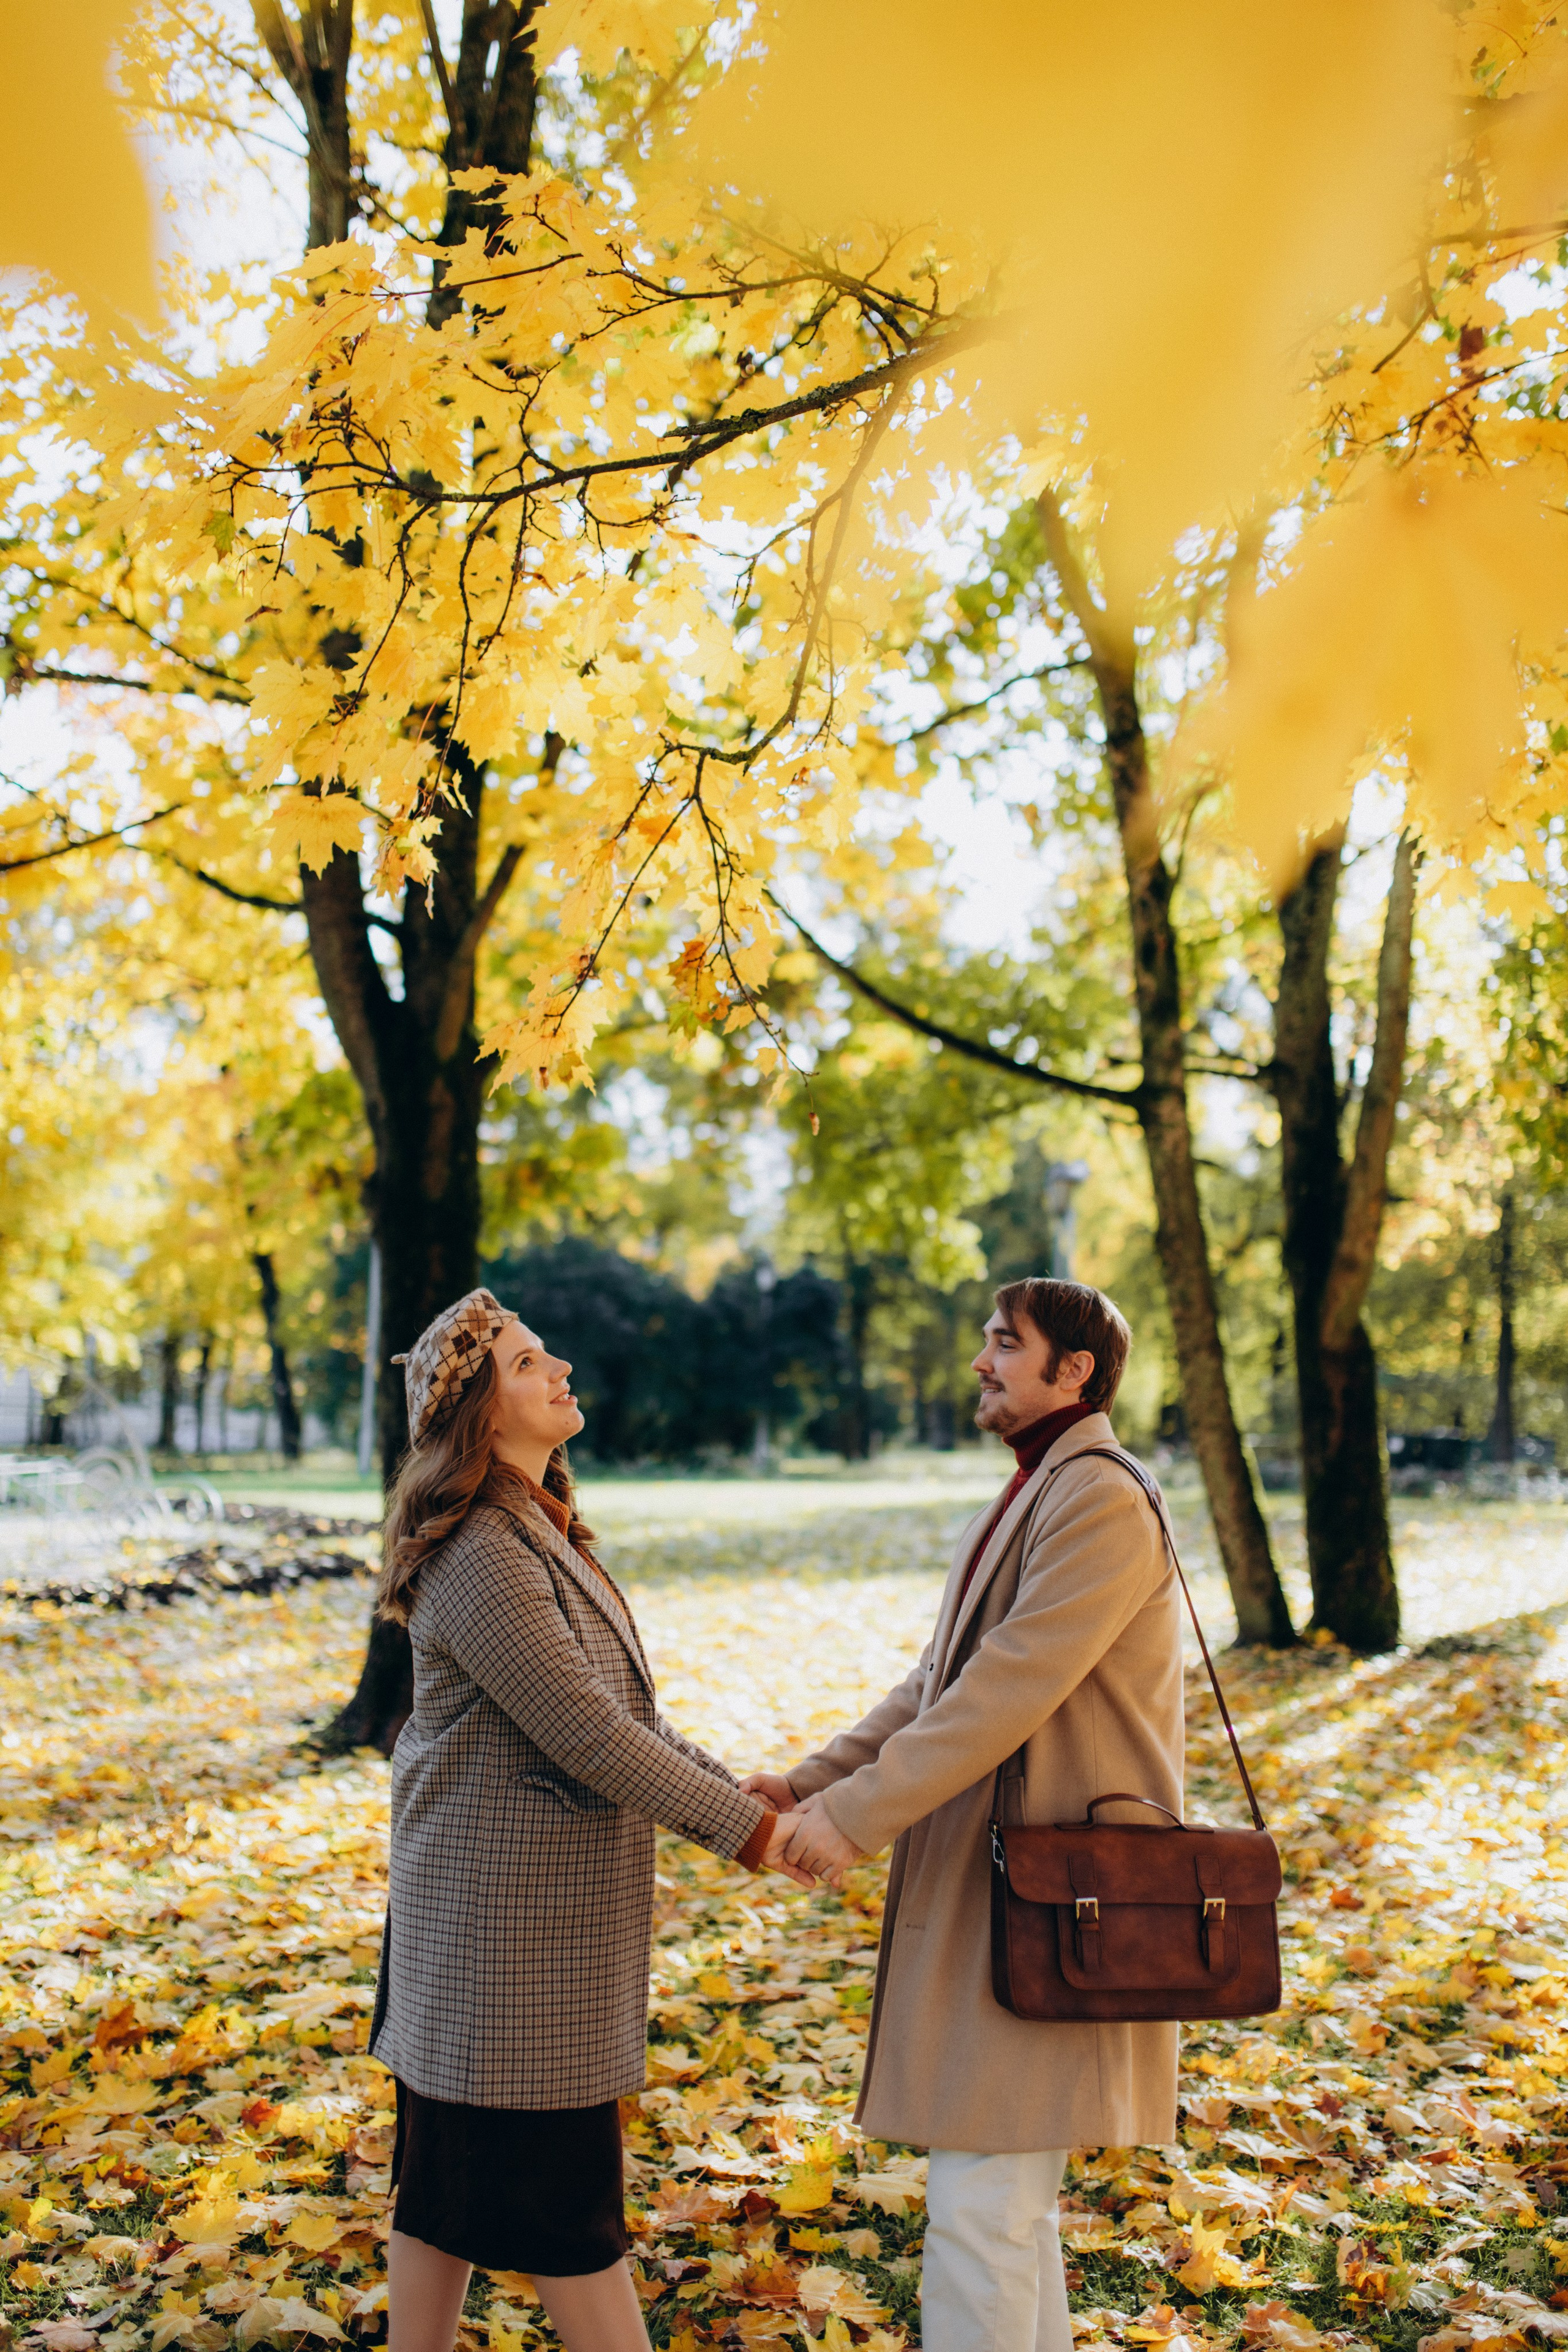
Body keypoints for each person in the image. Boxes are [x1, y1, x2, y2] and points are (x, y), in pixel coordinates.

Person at [368, 1289, 809, 2352]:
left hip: (520, 1931)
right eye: (527, 1363)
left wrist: (745, 1792)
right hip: (501, 1943)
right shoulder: (481, 1548)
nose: (559, 1367)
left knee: (442, 2189)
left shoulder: (539, 1531)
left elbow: (620, 1717)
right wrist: (752, 1836)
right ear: (476, 1413)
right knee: (573, 2221)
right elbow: (589, 1736)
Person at [750, 1278, 1185, 2352]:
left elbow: (1007, 1690)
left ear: (1073, 1371)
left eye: (1006, 1343)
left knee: (983, 2209)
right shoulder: (1043, 1488)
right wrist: (809, 1785)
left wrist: (855, 1818)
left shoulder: (1099, 1496)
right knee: (1002, 2210)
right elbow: (941, 1680)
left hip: (1051, 1898)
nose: (982, 1363)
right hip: (1013, 1886)